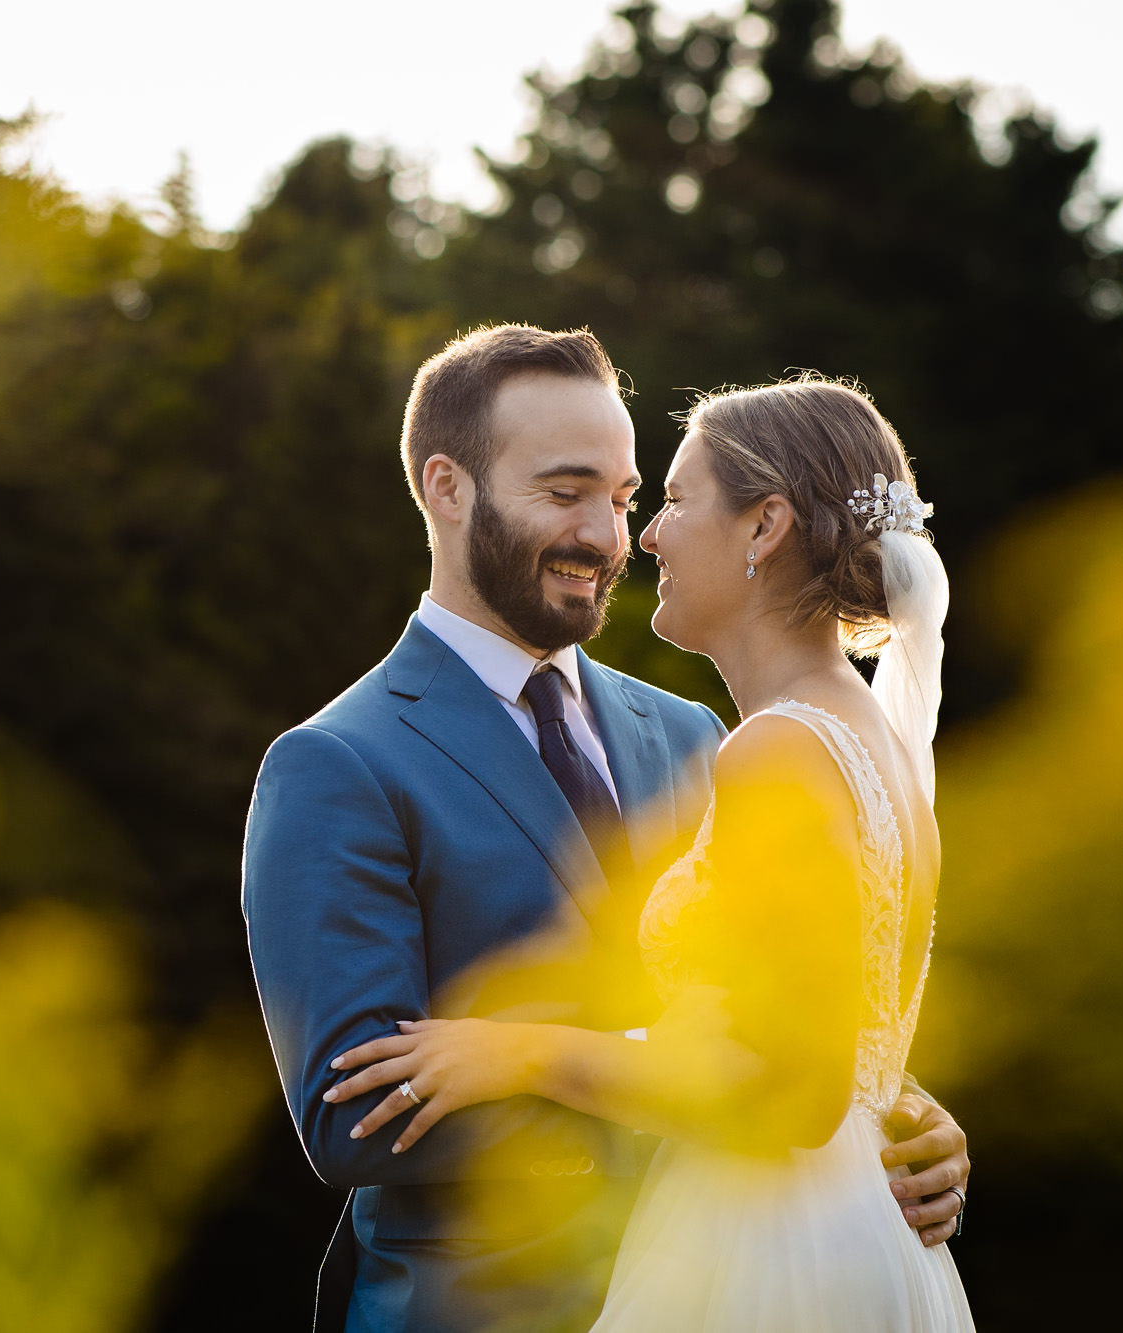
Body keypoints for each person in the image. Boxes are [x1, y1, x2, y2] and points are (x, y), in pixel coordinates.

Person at [243, 328, 967, 1333]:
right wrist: (711, 1109)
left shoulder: (700, 737)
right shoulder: (336, 763)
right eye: (564, 491)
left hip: (744, 1276)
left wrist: (888, 1111)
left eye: (630, 499)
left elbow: (773, 1018)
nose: (611, 535)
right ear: (446, 488)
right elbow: (349, 1118)